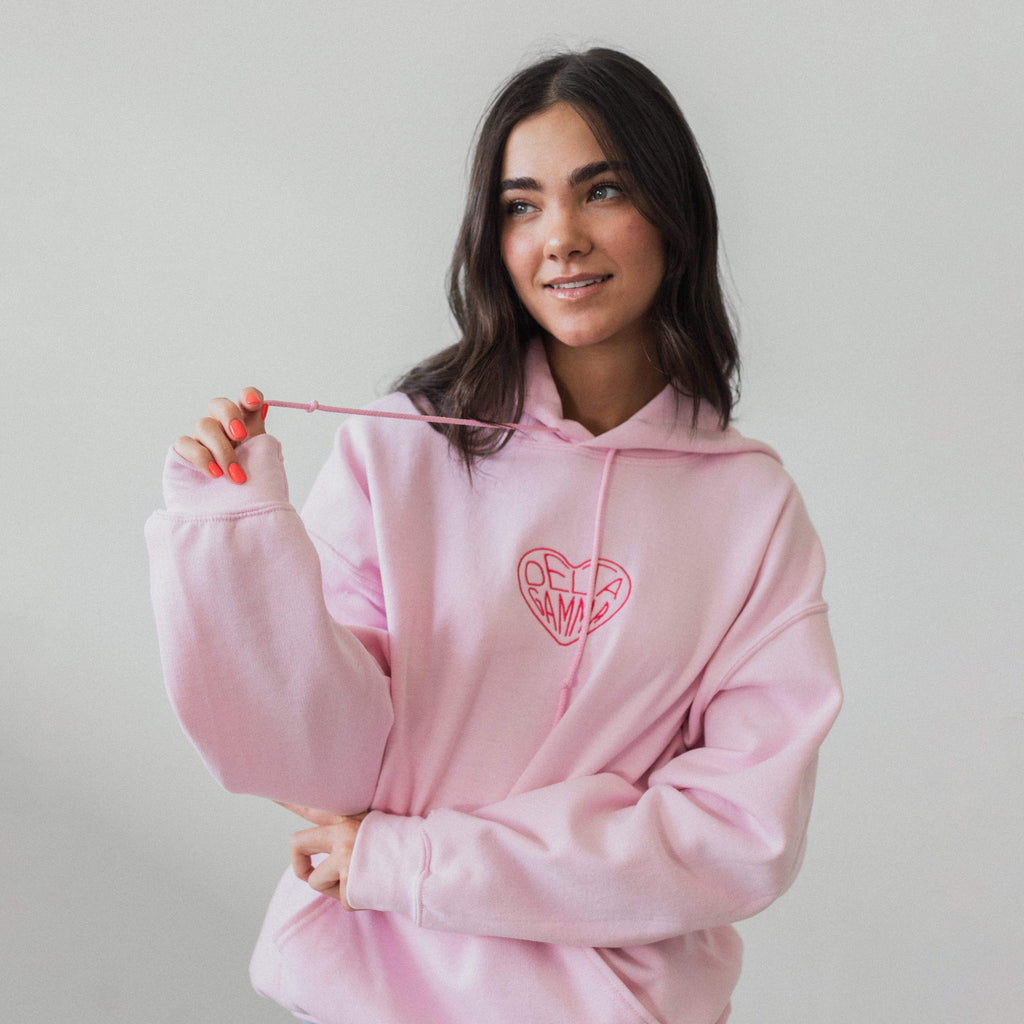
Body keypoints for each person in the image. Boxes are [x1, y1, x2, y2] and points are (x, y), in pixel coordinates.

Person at [147, 47, 842, 1024]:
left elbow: (739, 834)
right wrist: (238, 540)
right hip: (375, 992)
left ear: (674, 214)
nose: (560, 238)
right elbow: (317, 762)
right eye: (522, 205)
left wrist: (418, 860)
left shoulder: (751, 509)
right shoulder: (403, 448)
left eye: (602, 190)